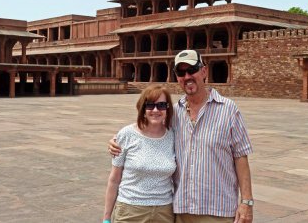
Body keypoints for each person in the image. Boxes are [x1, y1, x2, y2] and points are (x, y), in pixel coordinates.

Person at [109, 50, 254, 223]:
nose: (187, 76)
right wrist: (118, 141)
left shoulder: (228, 110)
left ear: (204, 71)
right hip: (181, 211)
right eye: (181, 72)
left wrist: (246, 202)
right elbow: (147, 130)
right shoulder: (174, 113)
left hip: (218, 210)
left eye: (192, 70)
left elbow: (240, 156)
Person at [102, 84, 176, 223]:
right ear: (143, 108)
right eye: (150, 105)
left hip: (164, 211)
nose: (155, 110)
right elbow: (114, 179)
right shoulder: (127, 134)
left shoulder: (173, 136)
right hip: (130, 209)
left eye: (161, 105)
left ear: (167, 108)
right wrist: (106, 217)